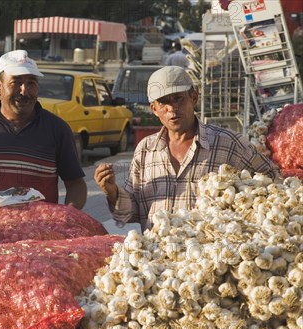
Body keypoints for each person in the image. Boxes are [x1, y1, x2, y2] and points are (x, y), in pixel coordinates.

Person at [94, 66, 279, 231]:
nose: (172, 108)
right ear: (154, 109)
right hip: (158, 262)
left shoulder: (228, 143)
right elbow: (132, 213)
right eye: (163, 102)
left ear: (194, 98)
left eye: (178, 99)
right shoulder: (145, 150)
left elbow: (273, 181)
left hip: (210, 262)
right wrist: (112, 191)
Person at [0, 50, 87, 209]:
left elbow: (75, 184)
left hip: (40, 229)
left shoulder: (57, 129)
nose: (24, 91)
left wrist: (68, 214)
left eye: (31, 83)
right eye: (16, 82)